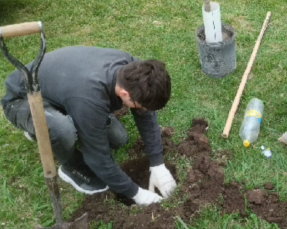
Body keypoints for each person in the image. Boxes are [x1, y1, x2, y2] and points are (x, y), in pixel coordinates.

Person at [1, 46, 176, 206]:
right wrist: (136, 193)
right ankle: (71, 167)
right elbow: (98, 158)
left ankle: (64, 120)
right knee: (62, 129)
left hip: (67, 91)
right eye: (140, 106)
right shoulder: (88, 98)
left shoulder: (135, 70)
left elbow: (145, 115)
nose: (143, 111)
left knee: (119, 139)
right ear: (124, 93)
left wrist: (157, 163)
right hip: (23, 100)